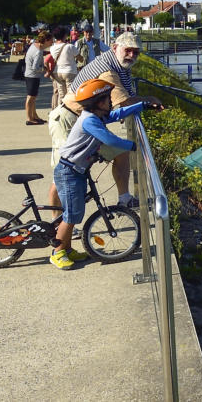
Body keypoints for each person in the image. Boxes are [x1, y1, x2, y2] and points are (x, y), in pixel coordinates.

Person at [47, 31, 163, 211]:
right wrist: (149, 100)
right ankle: (56, 222)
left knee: (120, 152)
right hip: (68, 120)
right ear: (115, 48)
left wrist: (140, 104)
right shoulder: (107, 70)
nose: (132, 55)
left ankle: (124, 199)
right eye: (128, 50)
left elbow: (121, 102)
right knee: (63, 173)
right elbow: (123, 102)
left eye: (136, 52)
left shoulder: (117, 65)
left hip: (89, 121)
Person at [50, 79, 152, 270]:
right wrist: (134, 145)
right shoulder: (89, 120)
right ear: (97, 103)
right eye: (107, 98)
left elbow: (117, 114)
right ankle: (58, 252)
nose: (111, 101)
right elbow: (109, 139)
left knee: (75, 212)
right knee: (71, 214)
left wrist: (142, 106)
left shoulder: (95, 116)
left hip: (77, 171)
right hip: (69, 172)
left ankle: (67, 248)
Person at [23, 31, 53, 125]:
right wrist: (44, 69)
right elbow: (35, 67)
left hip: (29, 75)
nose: (52, 42)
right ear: (46, 40)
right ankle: (29, 118)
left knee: (33, 97)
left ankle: (34, 116)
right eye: (51, 40)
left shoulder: (35, 46)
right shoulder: (38, 51)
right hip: (32, 76)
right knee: (30, 97)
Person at [49, 30, 78, 110]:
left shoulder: (52, 48)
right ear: (64, 36)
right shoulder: (70, 46)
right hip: (69, 71)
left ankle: (61, 110)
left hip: (57, 72)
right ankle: (71, 110)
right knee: (70, 92)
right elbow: (80, 58)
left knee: (61, 94)